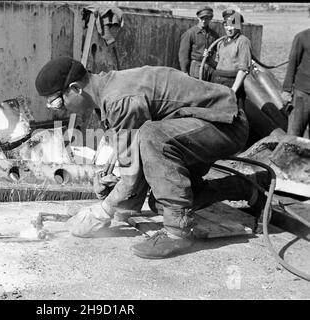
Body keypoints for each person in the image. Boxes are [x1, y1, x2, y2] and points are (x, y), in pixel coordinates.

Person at [34, 57, 268, 259]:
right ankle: (245, 188)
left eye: (56, 102)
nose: (59, 110)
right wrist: (110, 184)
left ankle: (177, 233)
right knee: (161, 202)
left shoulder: (118, 100)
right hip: (197, 126)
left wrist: (102, 212)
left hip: (226, 123)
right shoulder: (105, 92)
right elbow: (129, 163)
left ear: (75, 88)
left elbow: (135, 172)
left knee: (151, 137)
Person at [210, 10, 251, 109]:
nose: (229, 28)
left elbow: (243, 70)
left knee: (234, 115)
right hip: (217, 82)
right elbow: (218, 65)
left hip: (232, 83)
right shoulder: (221, 42)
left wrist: (233, 90)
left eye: (232, 25)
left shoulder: (243, 41)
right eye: (226, 25)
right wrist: (208, 59)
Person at [282, 8, 310, 137]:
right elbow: (292, 63)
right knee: (294, 131)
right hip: (302, 93)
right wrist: (286, 90)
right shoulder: (301, 37)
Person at [178, 6, 220, 81]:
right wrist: (184, 72)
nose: (204, 21)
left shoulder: (214, 35)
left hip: (209, 69)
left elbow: (219, 51)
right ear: (198, 18)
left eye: (206, 18)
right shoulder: (190, 34)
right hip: (195, 69)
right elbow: (183, 55)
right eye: (202, 18)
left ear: (210, 19)